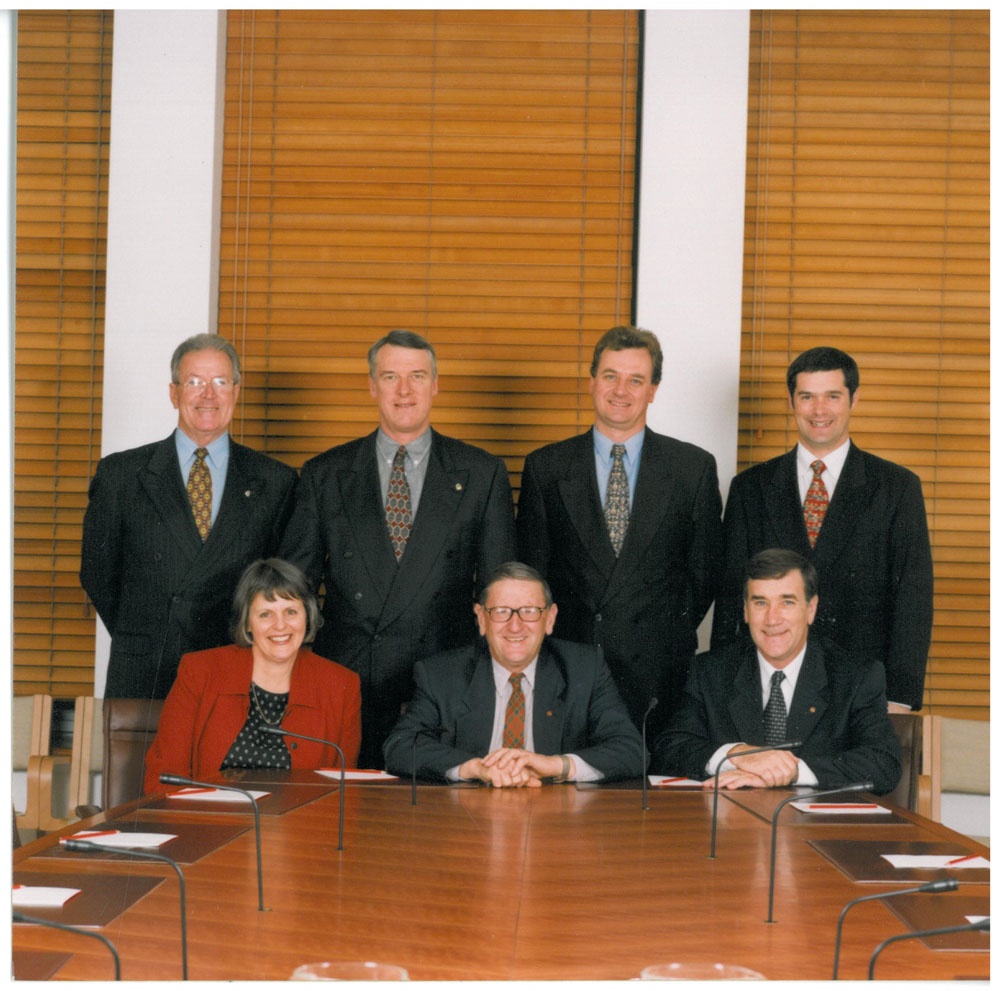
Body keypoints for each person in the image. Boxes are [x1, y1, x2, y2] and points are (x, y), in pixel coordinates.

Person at [280, 330, 516, 767]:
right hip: (349, 682)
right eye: (390, 377)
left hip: (444, 687)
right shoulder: (325, 473)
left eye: (417, 376)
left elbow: (500, 597)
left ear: (436, 384)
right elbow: (295, 589)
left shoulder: (482, 474)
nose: (404, 391)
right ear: (372, 386)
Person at [516, 326, 723, 735]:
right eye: (610, 375)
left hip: (658, 672)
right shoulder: (547, 467)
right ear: (592, 381)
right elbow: (532, 573)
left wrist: (661, 632)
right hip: (567, 667)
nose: (620, 390)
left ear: (653, 390)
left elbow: (705, 574)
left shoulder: (691, 469)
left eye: (636, 380)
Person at [711, 346, 933, 712]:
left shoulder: (897, 487)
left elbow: (913, 601)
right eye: (807, 397)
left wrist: (900, 698)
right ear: (791, 402)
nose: (819, 410)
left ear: (854, 399)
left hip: (861, 692)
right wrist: (720, 689)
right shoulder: (750, 487)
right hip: (769, 686)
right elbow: (731, 598)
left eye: (832, 396)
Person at [81, 333, 298, 699]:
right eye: (195, 382)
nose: (208, 395)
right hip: (145, 673)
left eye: (220, 382)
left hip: (238, 670)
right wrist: (147, 631)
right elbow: (98, 573)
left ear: (236, 392)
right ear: (174, 393)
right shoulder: (121, 475)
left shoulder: (276, 481)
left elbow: (283, 584)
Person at [651, 549, 902, 794]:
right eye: (760, 602)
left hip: (814, 828)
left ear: (811, 609)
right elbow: (669, 750)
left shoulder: (856, 676)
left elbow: (883, 763)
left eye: (787, 602)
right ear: (746, 611)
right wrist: (735, 755)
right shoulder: (710, 671)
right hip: (731, 824)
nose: (772, 619)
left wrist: (793, 772)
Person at [383, 562, 644, 786]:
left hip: (558, 821)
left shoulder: (584, 668)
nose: (515, 625)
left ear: (550, 618)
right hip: (467, 820)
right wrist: (474, 768)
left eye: (530, 611)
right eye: (501, 612)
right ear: (481, 619)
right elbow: (400, 746)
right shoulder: (441, 674)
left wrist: (555, 766)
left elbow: (632, 750)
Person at [143, 558, 361, 793]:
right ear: (247, 623)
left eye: (290, 611)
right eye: (265, 614)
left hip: (299, 826)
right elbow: (164, 777)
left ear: (307, 616)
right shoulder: (200, 671)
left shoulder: (342, 686)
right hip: (212, 823)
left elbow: (342, 794)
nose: (280, 626)